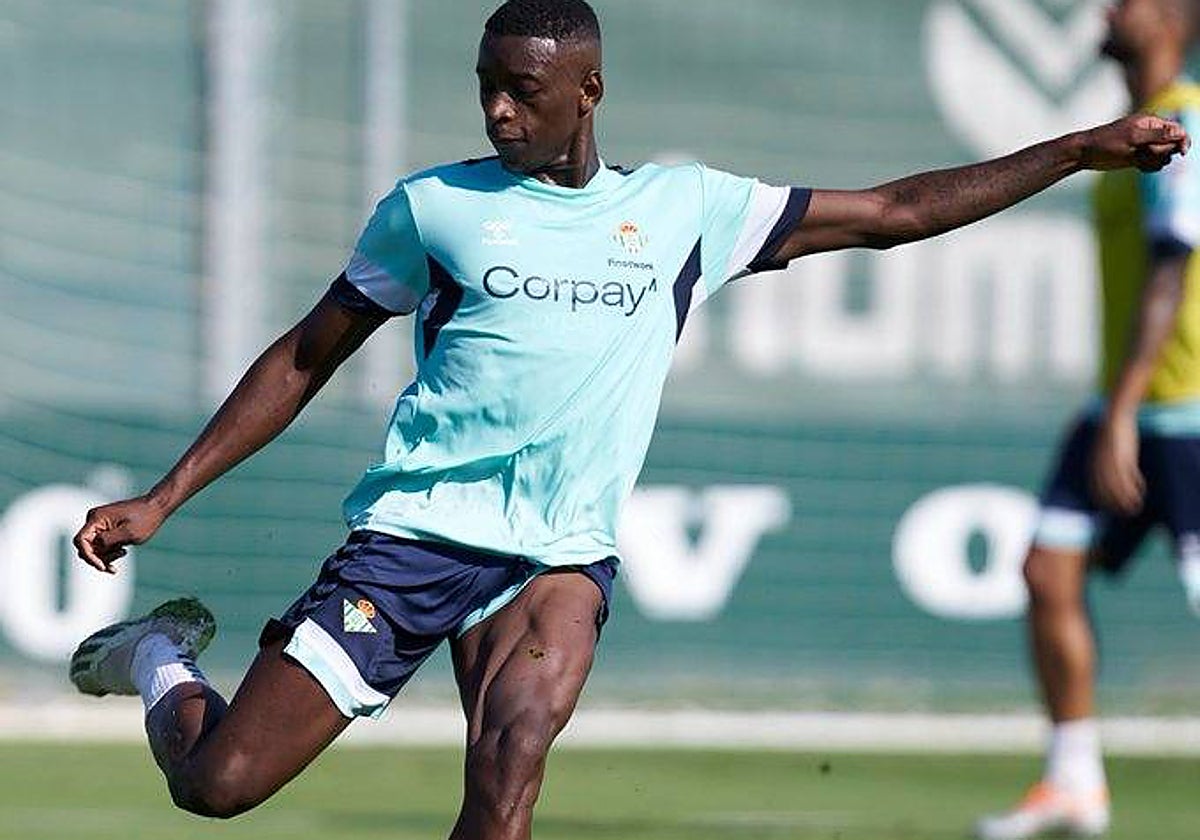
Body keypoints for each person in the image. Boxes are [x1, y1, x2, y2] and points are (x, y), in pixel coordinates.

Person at [68, 1, 1187, 837]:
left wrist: (1073, 149)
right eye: (485, 85)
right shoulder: (434, 207)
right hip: (416, 540)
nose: (498, 109)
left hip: (561, 555)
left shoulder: (684, 209)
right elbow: (307, 355)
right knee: (219, 787)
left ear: (589, 90)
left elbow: (893, 212)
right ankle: (160, 658)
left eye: (522, 89)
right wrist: (164, 497)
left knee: (508, 778)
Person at [976, 2, 1200, 839]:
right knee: (1048, 570)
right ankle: (1074, 783)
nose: (1108, 7)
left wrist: (1125, 414)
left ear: (1171, 19)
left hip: (1182, 414)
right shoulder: (1131, 131)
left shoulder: (1183, 126)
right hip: (1124, 407)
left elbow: (1172, 271)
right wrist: (1118, 411)